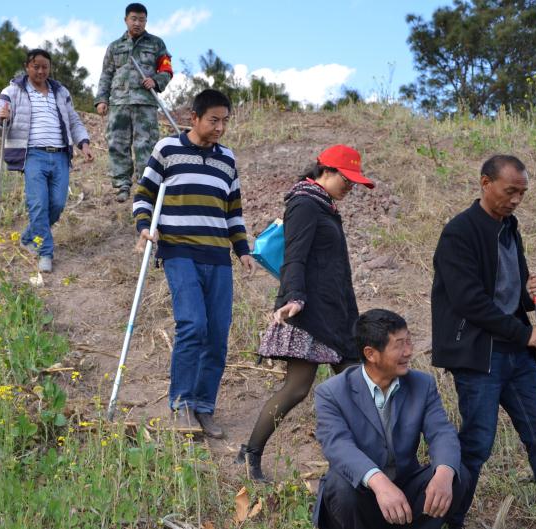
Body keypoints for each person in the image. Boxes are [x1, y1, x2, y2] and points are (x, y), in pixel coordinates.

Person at [431, 155, 536, 529]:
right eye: (510, 191)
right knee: (477, 446)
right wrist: (524, 332)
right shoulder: (459, 232)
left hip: (517, 355)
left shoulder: (510, 227)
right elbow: (469, 300)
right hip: (480, 357)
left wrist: (531, 295)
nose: (515, 200)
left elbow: (509, 294)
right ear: (485, 183)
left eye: (522, 193)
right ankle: (449, 522)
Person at [235, 144, 375, 482]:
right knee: (297, 389)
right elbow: (294, 255)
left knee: (359, 386)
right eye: (347, 179)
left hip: (337, 314)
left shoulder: (322, 205)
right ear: (325, 171)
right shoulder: (305, 204)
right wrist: (294, 296)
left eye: (355, 181)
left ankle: (367, 465)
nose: (351, 186)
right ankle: (250, 454)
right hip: (311, 313)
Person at [132, 88, 255, 437]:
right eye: (213, 120)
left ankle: (204, 407)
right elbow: (144, 193)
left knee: (217, 335)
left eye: (224, 121)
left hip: (217, 256)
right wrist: (144, 227)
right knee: (193, 325)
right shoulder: (167, 149)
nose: (219, 127)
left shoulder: (227, 159)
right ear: (194, 118)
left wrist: (243, 250)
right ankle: (182, 403)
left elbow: (234, 210)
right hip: (179, 251)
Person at [313, 308, 469, 529]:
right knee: (340, 486)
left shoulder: (422, 384)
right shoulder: (331, 393)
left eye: (409, 341)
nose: (408, 352)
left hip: (405, 488)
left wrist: (444, 472)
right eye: (399, 345)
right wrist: (378, 482)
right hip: (363, 493)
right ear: (371, 354)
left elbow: (441, 432)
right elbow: (338, 446)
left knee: (456, 473)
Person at [0, 48, 93, 273]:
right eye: (35, 66)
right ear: (27, 67)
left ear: (50, 68)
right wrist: (1, 120)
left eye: (44, 66)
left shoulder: (61, 91)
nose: (40, 70)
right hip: (33, 155)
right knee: (38, 204)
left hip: (59, 155)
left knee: (56, 204)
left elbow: (74, 121)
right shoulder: (13, 91)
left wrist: (83, 143)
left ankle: (28, 236)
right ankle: (45, 252)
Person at [96, 2, 173, 203]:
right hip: (119, 102)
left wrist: (156, 80)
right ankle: (122, 184)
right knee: (117, 143)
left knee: (145, 144)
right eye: (133, 19)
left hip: (145, 103)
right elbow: (106, 74)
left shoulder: (156, 44)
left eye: (141, 19)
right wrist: (101, 99)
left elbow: (167, 70)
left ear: (146, 21)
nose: (137, 23)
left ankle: (145, 184)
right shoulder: (114, 47)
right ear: (126, 20)